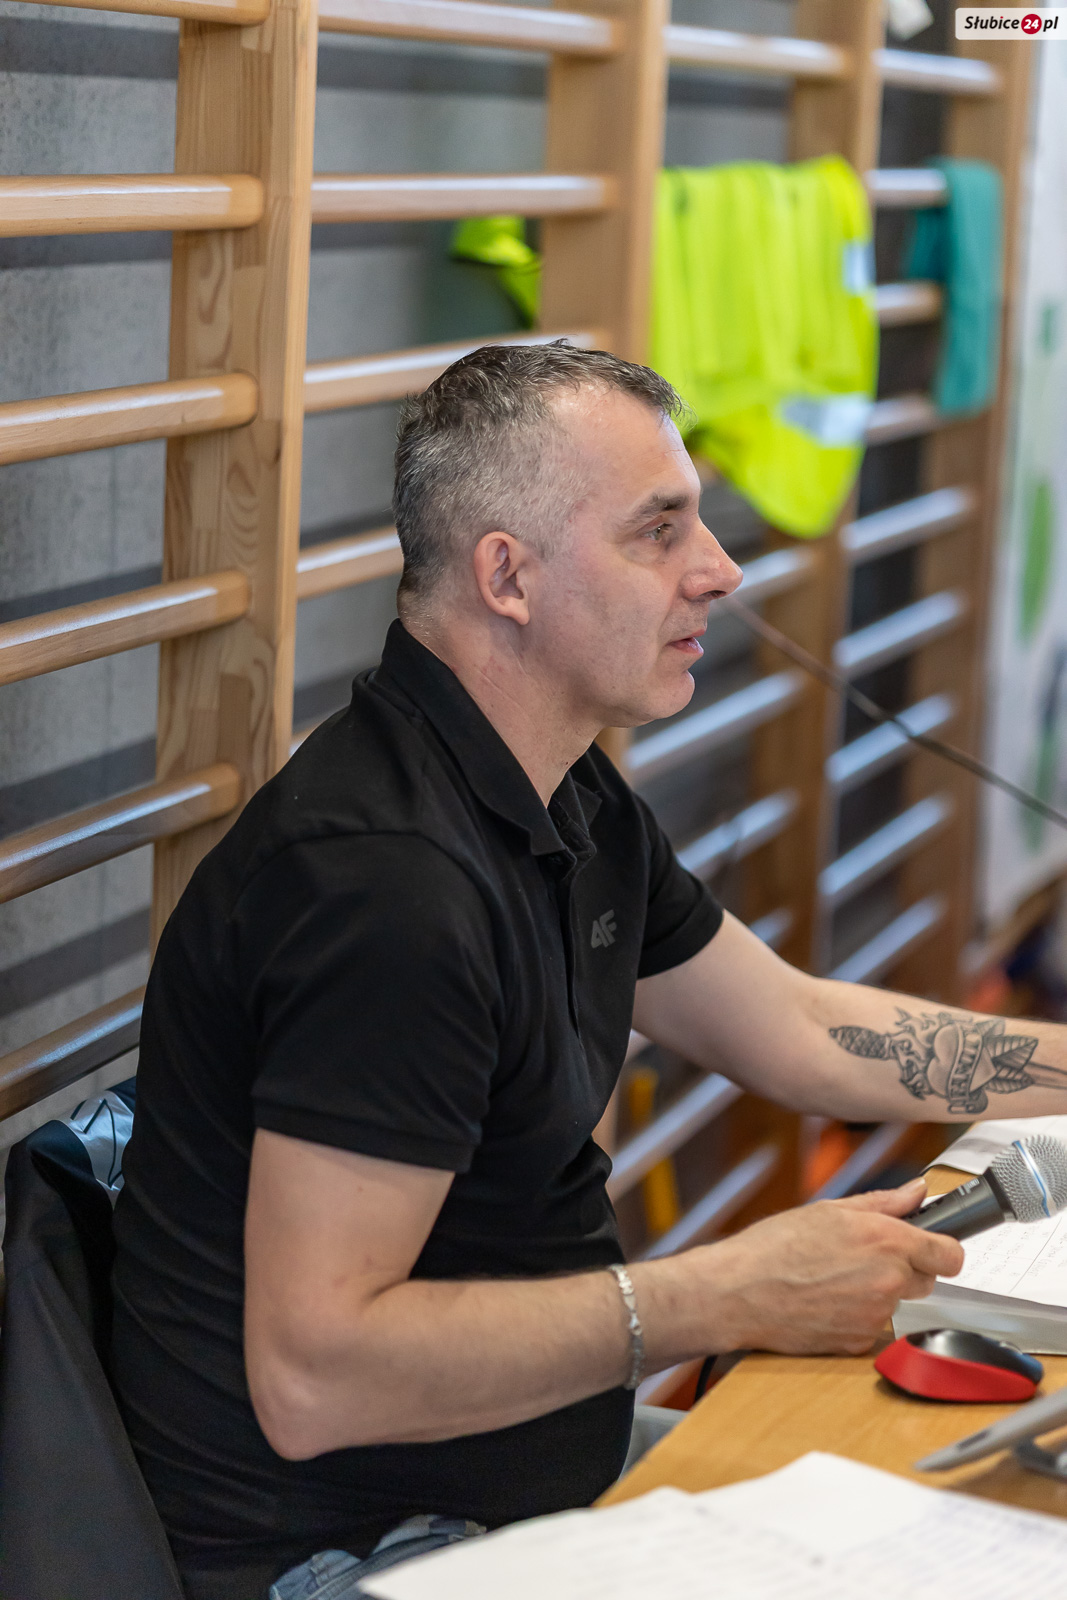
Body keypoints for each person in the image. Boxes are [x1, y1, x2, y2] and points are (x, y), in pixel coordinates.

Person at [111, 342, 1067, 1600]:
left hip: (521, 1491)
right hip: (348, 1555)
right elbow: (315, 1377)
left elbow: (796, 1029)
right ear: (506, 576)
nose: (717, 568)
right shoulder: (385, 890)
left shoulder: (561, 795)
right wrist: (728, 1292)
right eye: (657, 531)